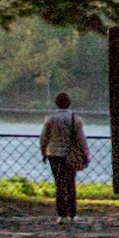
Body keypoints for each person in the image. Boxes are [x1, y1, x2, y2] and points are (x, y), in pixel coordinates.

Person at [39, 91, 91, 225]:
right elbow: (81, 139)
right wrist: (85, 154)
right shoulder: (75, 119)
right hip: (70, 155)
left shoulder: (50, 119)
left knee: (59, 184)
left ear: (56, 103)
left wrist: (44, 152)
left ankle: (61, 214)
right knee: (70, 184)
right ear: (69, 103)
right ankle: (72, 213)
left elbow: (44, 137)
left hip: (54, 154)